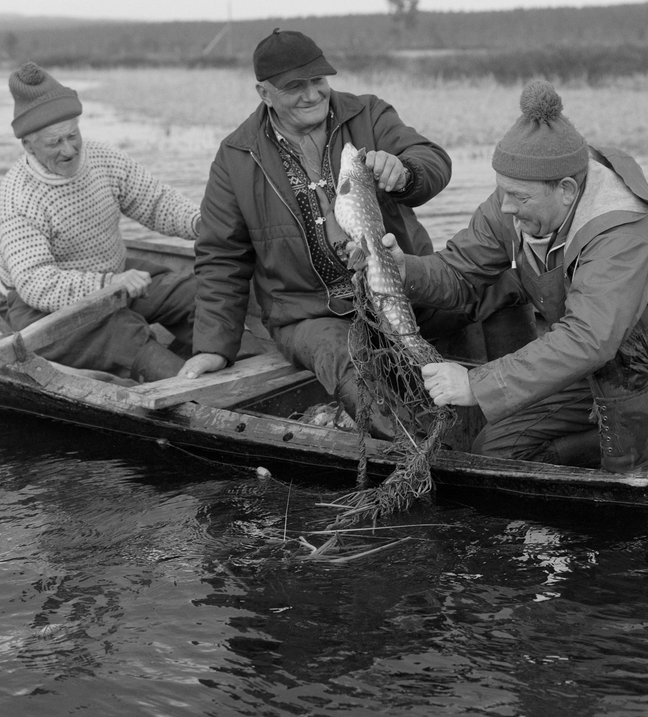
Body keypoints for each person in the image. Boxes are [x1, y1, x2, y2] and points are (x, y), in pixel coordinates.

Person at [377, 79, 648, 471]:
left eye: (520, 197)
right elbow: (459, 273)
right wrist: (403, 268)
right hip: (601, 357)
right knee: (496, 451)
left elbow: (591, 337)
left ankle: (625, 473)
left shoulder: (620, 233)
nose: (507, 207)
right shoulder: (512, 205)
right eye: (503, 191)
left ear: (567, 190)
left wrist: (475, 384)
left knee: (615, 335)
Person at [179, 28, 456, 426]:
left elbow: (432, 159)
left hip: (403, 287)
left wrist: (407, 172)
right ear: (264, 93)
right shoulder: (236, 156)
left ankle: (515, 418)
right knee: (350, 360)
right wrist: (214, 347)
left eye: (318, 81)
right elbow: (222, 257)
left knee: (496, 291)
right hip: (308, 314)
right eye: (294, 87)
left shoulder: (369, 115)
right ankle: (407, 455)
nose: (312, 95)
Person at [0, 62, 200, 383]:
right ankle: (185, 386)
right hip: (37, 305)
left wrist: (201, 223)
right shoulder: (19, 197)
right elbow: (36, 283)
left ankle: (212, 359)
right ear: (28, 145)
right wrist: (106, 286)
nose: (70, 150)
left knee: (198, 293)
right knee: (121, 334)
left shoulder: (103, 159)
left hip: (112, 276)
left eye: (73, 135)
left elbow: (155, 202)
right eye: (54, 143)